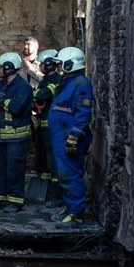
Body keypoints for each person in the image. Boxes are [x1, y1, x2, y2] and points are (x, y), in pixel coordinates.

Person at [49, 47, 95, 229]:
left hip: (69, 137)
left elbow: (83, 113)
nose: (59, 67)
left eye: (61, 63)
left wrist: (74, 137)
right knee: (63, 172)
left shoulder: (81, 83)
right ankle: (69, 206)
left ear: (69, 63)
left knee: (70, 173)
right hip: (61, 136)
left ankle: (76, 214)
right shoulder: (67, 81)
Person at [0, 52, 34, 213]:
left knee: (15, 170)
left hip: (16, 138)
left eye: (0, 67)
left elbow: (16, 108)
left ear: (10, 68)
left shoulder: (23, 87)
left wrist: (0, 99)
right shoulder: (1, 84)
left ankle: (15, 201)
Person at [32, 49, 63, 206]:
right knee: (42, 161)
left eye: (42, 63)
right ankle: (44, 192)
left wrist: (33, 94)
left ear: (50, 64)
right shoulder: (45, 80)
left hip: (52, 130)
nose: (39, 65)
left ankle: (56, 195)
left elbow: (42, 95)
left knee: (53, 163)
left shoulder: (57, 80)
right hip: (42, 128)